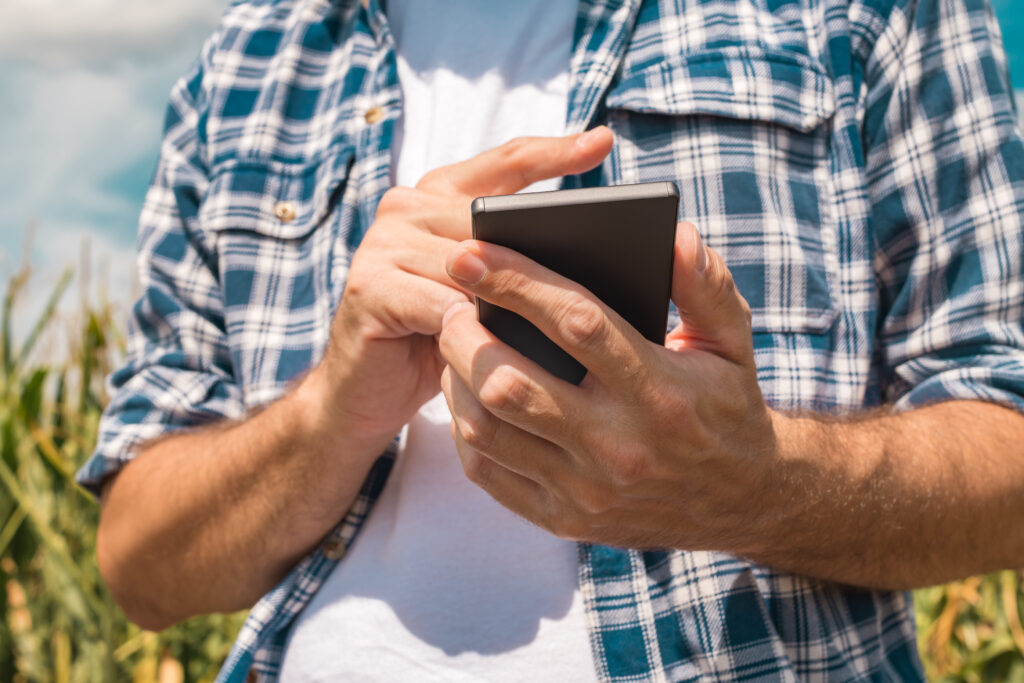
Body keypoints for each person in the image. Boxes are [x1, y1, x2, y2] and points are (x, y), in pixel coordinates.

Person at [78, 0, 1024, 680]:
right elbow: (138, 564)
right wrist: (330, 414)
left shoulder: (870, 12)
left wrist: (750, 488)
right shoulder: (246, 63)